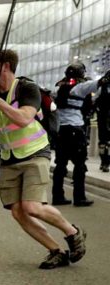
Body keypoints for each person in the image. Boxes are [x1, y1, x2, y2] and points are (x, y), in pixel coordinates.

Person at [0, 50, 87, 269]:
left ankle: (73, 232)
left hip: (35, 153)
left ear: (6, 66)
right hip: (9, 158)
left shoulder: (27, 88)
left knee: (32, 206)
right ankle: (55, 251)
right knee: (18, 212)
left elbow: (24, 119)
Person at [51, 62, 105, 206]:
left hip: (61, 130)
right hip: (75, 129)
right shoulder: (79, 88)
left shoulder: (60, 87)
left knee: (60, 164)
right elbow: (96, 83)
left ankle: (57, 196)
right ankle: (79, 197)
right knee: (80, 165)